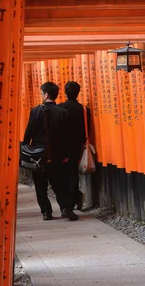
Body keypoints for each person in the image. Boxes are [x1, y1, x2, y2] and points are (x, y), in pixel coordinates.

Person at [23, 82, 78, 221]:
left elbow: (28, 134)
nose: (41, 95)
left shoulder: (35, 111)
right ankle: (65, 208)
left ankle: (46, 212)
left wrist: (26, 149)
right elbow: (67, 137)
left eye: (41, 93)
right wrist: (66, 155)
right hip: (57, 153)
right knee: (59, 183)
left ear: (46, 94)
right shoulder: (62, 112)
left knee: (40, 185)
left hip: (38, 155)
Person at [59, 81, 91, 212]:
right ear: (78, 92)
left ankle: (69, 202)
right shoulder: (84, 109)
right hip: (78, 145)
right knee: (73, 172)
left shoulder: (60, 108)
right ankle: (74, 199)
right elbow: (87, 130)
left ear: (65, 92)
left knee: (64, 173)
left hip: (61, 145)